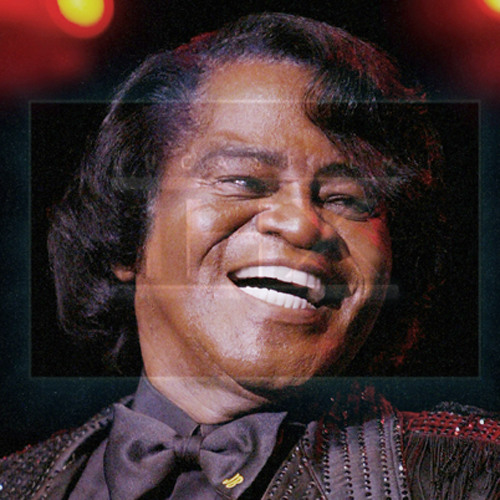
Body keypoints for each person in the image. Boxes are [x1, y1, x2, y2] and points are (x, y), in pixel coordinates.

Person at [1, 12, 498, 499]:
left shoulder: (472, 479)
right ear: (129, 233)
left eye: (346, 198)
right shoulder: (20, 484)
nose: (302, 223)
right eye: (243, 180)